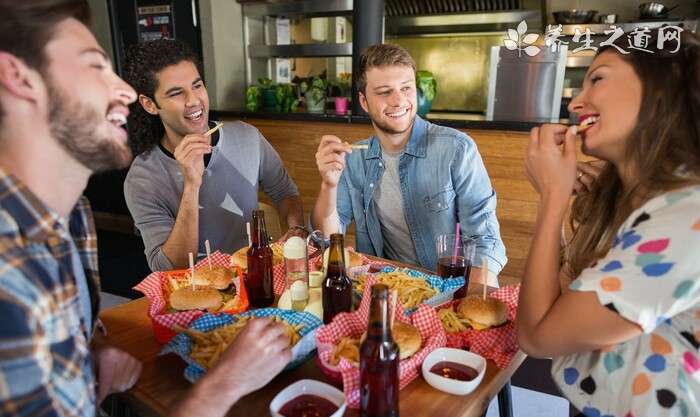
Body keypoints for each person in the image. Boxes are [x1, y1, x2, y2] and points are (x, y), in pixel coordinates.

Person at [0, 1, 291, 416]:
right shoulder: (10, 266)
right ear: (18, 77)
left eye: (197, 85)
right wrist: (228, 380)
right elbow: (165, 267)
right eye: (93, 67)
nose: (120, 92)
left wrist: (89, 352)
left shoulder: (71, 218)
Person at [517, 30, 700, 417]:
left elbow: (537, 335)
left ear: (662, 86)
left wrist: (552, 197)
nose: (576, 102)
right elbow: (564, 302)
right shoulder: (636, 201)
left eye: (597, 78)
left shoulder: (688, 218)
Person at [312, 44, 506, 285]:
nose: (399, 100)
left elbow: (484, 240)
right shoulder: (354, 158)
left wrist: (469, 303)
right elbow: (329, 238)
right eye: (384, 91)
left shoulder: (456, 149)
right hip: (387, 287)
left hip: (450, 287)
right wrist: (328, 186)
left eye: (406, 88)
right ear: (364, 101)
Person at [122, 39, 303, 271]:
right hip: (197, 294)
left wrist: (296, 230)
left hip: (258, 281)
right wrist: (191, 186)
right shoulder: (142, 179)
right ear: (149, 104)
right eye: (176, 93)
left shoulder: (247, 137)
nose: (194, 100)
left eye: (197, 86)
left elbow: (285, 192)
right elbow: (168, 268)